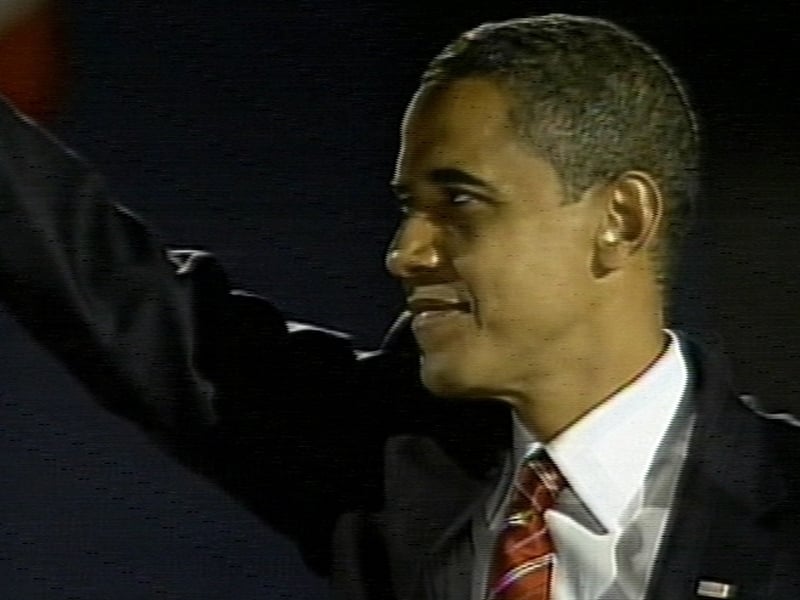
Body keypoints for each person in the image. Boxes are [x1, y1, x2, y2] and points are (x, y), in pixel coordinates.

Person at [1, 12, 799, 600]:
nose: (405, 252)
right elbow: (115, 291)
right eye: (407, 207)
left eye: (460, 202)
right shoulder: (391, 455)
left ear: (620, 220)